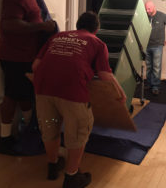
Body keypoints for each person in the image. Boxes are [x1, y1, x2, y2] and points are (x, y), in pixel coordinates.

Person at [32, 12, 126, 188]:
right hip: (72, 93)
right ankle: (72, 176)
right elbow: (105, 75)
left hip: (43, 90)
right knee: (77, 131)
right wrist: (120, 91)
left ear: (77, 25)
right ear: (96, 29)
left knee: (50, 126)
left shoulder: (57, 36)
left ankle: (53, 166)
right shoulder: (97, 42)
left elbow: (35, 66)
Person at [0, 0, 59, 155]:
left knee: (25, 96)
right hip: (15, 56)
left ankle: (29, 132)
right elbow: (9, 25)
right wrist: (42, 27)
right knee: (11, 96)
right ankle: (4, 140)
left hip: (25, 56)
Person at [145, 0, 166, 95]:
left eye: (149, 8)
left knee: (156, 67)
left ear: (154, 7)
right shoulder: (145, 16)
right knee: (149, 67)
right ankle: (149, 84)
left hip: (157, 46)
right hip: (146, 45)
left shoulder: (162, 16)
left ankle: (156, 86)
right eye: (146, 8)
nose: (147, 10)